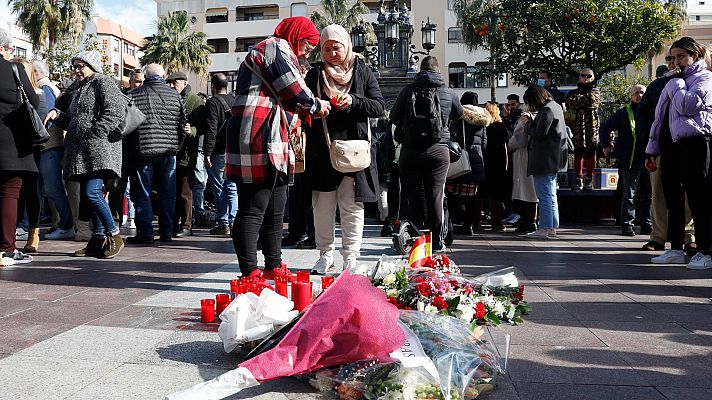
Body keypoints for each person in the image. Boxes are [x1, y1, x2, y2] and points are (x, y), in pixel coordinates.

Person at [225, 16, 330, 281]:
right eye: (307, 44)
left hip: (273, 137)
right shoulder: (273, 47)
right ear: (296, 36)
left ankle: (273, 264)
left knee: (276, 206)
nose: (307, 51)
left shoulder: (283, 52)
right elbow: (294, 90)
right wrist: (318, 105)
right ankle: (249, 273)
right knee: (254, 206)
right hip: (257, 134)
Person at [303, 24, 384, 274]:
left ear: (346, 45)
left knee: (351, 207)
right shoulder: (315, 74)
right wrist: (317, 107)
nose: (331, 53)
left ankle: (351, 257)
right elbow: (303, 105)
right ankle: (325, 255)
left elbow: (379, 106)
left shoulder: (363, 72)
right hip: (322, 151)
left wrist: (354, 101)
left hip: (353, 152)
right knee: (323, 207)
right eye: (326, 49)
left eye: (336, 47)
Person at [45, 50, 126, 258]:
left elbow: (114, 111)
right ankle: (98, 238)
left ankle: (114, 234)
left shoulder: (102, 82)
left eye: (82, 66)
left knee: (92, 194)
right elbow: (75, 121)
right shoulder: (80, 89)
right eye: (76, 66)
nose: (77, 70)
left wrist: (96, 133)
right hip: (83, 153)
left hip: (99, 150)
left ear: (93, 66)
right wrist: (59, 116)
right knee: (88, 197)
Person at [646, 37, 712, 270]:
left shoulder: (704, 78)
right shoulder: (674, 80)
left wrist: (675, 84)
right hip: (670, 146)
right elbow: (659, 117)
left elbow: (688, 106)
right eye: (673, 57)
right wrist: (652, 148)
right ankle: (674, 249)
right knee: (672, 200)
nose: (677, 62)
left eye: (682, 56)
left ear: (695, 55)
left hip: (694, 143)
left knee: (698, 199)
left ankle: (705, 251)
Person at [391, 56, 464, 252]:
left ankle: (411, 238)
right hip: (439, 149)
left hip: (410, 150)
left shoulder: (408, 90)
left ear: (420, 70)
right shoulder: (448, 92)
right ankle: (437, 241)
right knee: (436, 195)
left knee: (409, 194)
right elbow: (459, 113)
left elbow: (393, 116)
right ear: (438, 70)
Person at [638, 59, 695, 253]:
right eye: (670, 58)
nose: (673, 62)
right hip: (661, 148)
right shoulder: (656, 86)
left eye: (678, 57)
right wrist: (648, 148)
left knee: (689, 194)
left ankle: (690, 237)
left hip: (688, 147)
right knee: (658, 194)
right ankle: (658, 237)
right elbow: (643, 117)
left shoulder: (695, 81)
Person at [125, 63, 186, 244]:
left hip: (142, 151)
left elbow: (127, 128)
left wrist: (130, 152)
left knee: (142, 194)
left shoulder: (133, 95)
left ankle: (146, 233)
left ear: (145, 76)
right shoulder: (175, 96)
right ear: (164, 75)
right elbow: (183, 126)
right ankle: (166, 232)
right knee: (168, 194)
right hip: (168, 152)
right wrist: (176, 146)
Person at [0, 29, 39, 265]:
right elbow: (33, 102)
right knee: (9, 193)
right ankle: (6, 250)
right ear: (4, 47)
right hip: (10, 142)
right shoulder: (14, 69)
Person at [600, 84, 652, 237]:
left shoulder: (651, 111)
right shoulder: (623, 113)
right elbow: (605, 127)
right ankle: (627, 225)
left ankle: (646, 224)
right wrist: (606, 145)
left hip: (648, 157)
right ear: (631, 96)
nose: (639, 95)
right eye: (636, 93)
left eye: (642, 92)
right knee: (629, 193)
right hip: (630, 159)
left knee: (647, 194)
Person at [32, 59, 75, 241]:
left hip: (49, 145)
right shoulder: (49, 87)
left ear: (35, 72)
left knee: (53, 188)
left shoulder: (45, 88)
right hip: (50, 145)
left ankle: (66, 225)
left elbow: (48, 116)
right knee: (51, 188)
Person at [522, 85, 568, 239]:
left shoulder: (546, 110)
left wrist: (528, 124)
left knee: (544, 195)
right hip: (555, 158)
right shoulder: (556, 107)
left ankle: (544, 228)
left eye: (530, 102)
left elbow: (539, 133)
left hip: (544, 159)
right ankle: (552, 227)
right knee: (551, 194)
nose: (530, 106)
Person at [13, 58, 46, 253]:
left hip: (32, 148)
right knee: (17, 192)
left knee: (31, 192)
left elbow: (39, 125)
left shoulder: (39, 95)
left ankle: (34, 232)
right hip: (14, 147)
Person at [167, 71, 204, 238]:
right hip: (171, 151)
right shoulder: (171, 98)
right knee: (171, 192)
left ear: (183, 82)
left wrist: (193, 130)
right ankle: (173, 224)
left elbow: (203, 126)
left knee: (185, 192)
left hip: (186, 154)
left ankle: (187, 225)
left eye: (174, 82)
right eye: (169, 82)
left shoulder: (194, 100)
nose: (171, 85)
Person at [447, 91, 489, 235]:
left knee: (453, 192)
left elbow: (453, 136)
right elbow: (484, 143)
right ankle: (469, 225)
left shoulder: (459, 116)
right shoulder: (483, 119)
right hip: (477, 160)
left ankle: (457, 221)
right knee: (472, 196)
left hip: (462, 160)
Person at [203, 73, 238, 237]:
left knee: (219, 188)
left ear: (213, 86)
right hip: (233, 150)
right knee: (232, 188)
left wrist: (207, 152)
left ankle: (223, 223)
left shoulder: (212, 102)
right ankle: (234, 222)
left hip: (218, 151)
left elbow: (211, 129)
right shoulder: (235, 100)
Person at [566, 68, 600, 190]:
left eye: (588, 75)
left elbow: (592, 101)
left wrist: (579, 100)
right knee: (578, 153)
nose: (586, 78)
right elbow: (570, 102)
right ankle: (578, 178)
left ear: (593, 78)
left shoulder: (596, 91)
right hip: (577, 128)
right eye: (583, 75)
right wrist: (582, 100)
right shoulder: (572, 93)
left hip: (592, 128)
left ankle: (589, 179)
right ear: (579, 77)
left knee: (591, 153)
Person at [508, 104, 538, 233]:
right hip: (533, 156)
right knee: (532, 191)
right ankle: (532, 220)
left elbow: (518, 139)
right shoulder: (539, 117)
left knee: (526, 191)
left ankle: (529, 221)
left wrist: (509, 145)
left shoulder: (525, 118)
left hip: (523, 157)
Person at [482, 101, 509, 232]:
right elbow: (506, 146)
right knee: (497, 195)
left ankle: (477, 222)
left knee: (483, 192)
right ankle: (496, 222)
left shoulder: (483, 127)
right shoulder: (501, 127)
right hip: (498, 163)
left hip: (485, 162)